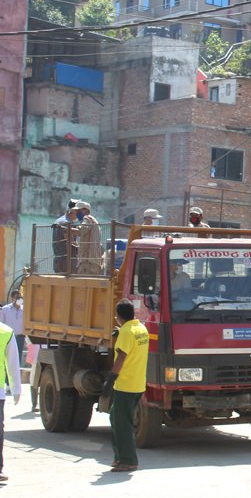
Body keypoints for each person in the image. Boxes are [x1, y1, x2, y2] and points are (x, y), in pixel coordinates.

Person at [105, 300, 149, 473]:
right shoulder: (141, 329)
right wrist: (121, 331)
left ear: (118, 316)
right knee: (115, 418)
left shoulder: (126, 333)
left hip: (126, 385)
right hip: (138, 383)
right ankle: (119, 457)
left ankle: (129, 461)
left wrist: (111, 379)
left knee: (123, 424)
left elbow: (122, 356)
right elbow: (133, 343)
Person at [0, 318, 20, 482]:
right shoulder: (5, 332)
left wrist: (16, 389)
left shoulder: (6, 332)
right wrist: (16, 389)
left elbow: (12, 363)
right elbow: (13, 363)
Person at [74, 201, 103, 276]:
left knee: (83, 282)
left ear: (86, 211)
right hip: (93, 262)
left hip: (88, 262)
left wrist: (66, 229)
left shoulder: (87, 218)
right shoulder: (93, 221)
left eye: (78, 211)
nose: (76, 213)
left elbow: (80, 231)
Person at [51, 200, 79, 273]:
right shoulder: (67, 223)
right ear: (73, 211)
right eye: (78, 211)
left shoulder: (59, 220)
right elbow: (70, 242)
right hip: (67, 262)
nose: (79, 214)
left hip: (58, 260)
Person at [0, 292, 25, 366]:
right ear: (13, 299)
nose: (19, 299)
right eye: (17, 298)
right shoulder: (5, 309)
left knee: (17, 358)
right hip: (8, 337)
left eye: (20, 297)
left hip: (20, 337)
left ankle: (16, 373)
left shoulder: (24, 310)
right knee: (7, 357)